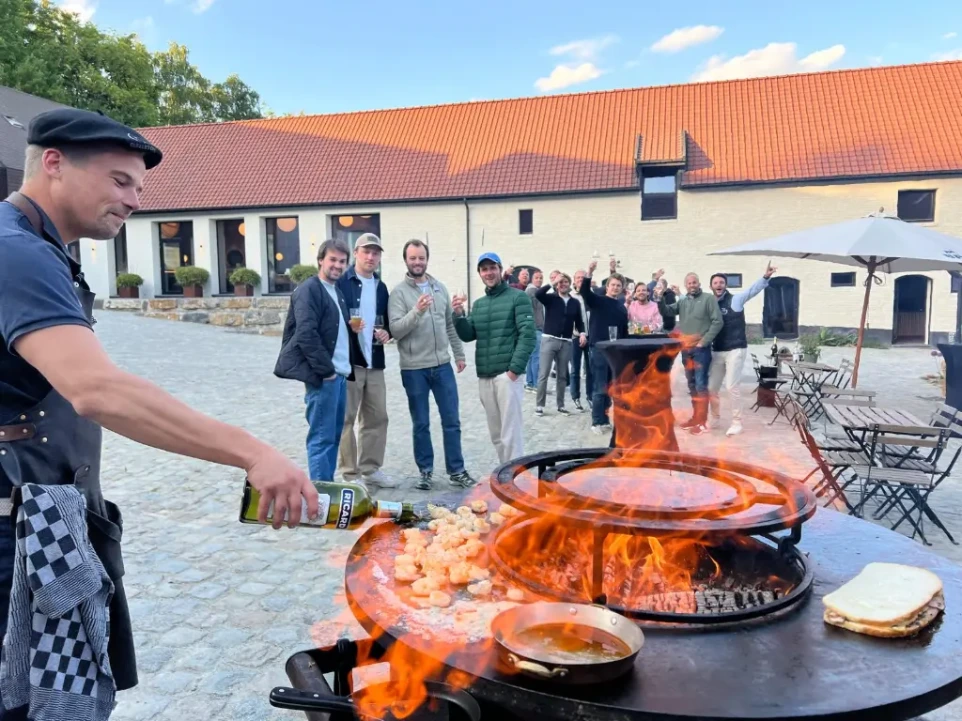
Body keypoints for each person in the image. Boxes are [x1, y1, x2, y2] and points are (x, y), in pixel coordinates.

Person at [0, 108, 316, 718]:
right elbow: (96, 389)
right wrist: (252, 451)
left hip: (39, 511)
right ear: (54, 164)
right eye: (120, 181)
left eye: (139, 188)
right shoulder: (18, 253)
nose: (134, 201)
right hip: (12, 532)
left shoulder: (41, 247)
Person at [388, 239, 475, 490]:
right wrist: (416, 311)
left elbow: (449, 324)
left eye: (421, 257)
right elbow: (396, 330)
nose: (418, 262)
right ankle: (425, 471)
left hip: (442, 365)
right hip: (414, 368)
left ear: (427, 259)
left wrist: (459, 354)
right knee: (421, 423)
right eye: (413, 258)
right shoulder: (399, 293)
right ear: (406, 260)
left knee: (452, 420)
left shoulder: (440, 288)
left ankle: (456, 470)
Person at [275, 239, 353, 481]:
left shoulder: (337, 292)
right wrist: (326, 372)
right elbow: (306, 334)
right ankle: (320, 497)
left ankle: (326, 489)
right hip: (325, 378)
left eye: (342, 261)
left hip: (340, 376)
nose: (337, 265)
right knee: (321, 438)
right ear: (320, 260)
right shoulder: (309, 289)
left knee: (333, 437)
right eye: (332, 259)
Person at [452, 253, 535, 464]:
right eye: (484, 269)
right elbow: (468, 335)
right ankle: (505, 476)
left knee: (511, 435)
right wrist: (459, 315)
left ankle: (516, 480)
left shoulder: (518, 297)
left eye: (492, 268)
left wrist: (514, 371)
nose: (488, 273)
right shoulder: (479, 305)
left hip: (507, 377)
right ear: (480, 274)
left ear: (500, 269)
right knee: (497, 436)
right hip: (485, 377)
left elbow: (528, 335)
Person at [336, 233, 398, 489]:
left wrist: (387, 333)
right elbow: (332, 318)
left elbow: (386, 323)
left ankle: (371, 469)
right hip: (350, 361)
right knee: (347, 419)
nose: (371, 257)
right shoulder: (342, 282)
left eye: (375, 253)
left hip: (375, 360)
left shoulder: (381, 287)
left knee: (377, 417)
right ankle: (350, 474)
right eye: (366, 252)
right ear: (356, 253)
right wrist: (347, 327)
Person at [708, 262, 777, 436]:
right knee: (711, 388)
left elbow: (752, 291)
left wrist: (765, 277)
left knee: (731, 386)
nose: (718, 285)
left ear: (725, 285)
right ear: (711, 286)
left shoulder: (735, 300)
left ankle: (737, 422)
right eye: (715, 283)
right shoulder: (708, 303)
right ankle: (714, 418)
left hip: (735, 349)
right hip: (717, 350)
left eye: (721, 282)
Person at [656, 273, 723, 435]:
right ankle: (696, 418)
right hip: (686, 350)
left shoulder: (708, 299)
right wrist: (660, 298)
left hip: (701, 350)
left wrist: (704, 341)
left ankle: (702, 422)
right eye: (689, 283)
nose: (692, 285)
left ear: (699, 283)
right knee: (692, 385)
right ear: (686, 285)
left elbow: (718, 321)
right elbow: (667, 312)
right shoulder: (683, 301)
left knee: (700, 385)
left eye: (694, 282)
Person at [581, 259, 629, 434]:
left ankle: (605, 418)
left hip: (616, 352)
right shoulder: (598, 301)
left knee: (611, 387)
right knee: (600, 386)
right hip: (599, 349)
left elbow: (624, 332)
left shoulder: (622, 307)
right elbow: (585, 292)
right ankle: (597, 421)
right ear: (607, 286)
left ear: (622, 289)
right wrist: (589, 272)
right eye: (613, 285)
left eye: (618, 285)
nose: (615, 288)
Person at [534, 273, 585, 417]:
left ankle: (560, 405)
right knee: (544, 373)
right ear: (557, 285)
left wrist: (582, 333)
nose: (563, 285)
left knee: (562, 375)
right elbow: (539, 294)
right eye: (560, 283)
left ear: (570, 284)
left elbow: (579, 321)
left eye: (565, 282)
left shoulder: (574, 302)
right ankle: (539, 405)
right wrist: (553, 282)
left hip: (566, 342)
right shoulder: (551, 299)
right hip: (549, 339)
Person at [568, 269, 593, 412]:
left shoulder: (591, 295)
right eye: (578, 277)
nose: (580, 280)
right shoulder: (571, 296)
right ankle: (575, 396)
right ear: (574, 279)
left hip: (591, 336)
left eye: (583, 278)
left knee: (590, 369)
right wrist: (578, 333)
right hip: (575, 336)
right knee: (575, 369)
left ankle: (590, 396)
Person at [524, 270, 545, 392]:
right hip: (535, 328)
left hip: (533, 328)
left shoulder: (534, 291)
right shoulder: (532, 291)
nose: (539, 280)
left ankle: (530, 382)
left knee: (532, 356)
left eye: (541, 278)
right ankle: (536, 384)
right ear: (532, 279)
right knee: (537, 356)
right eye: (537, 278)